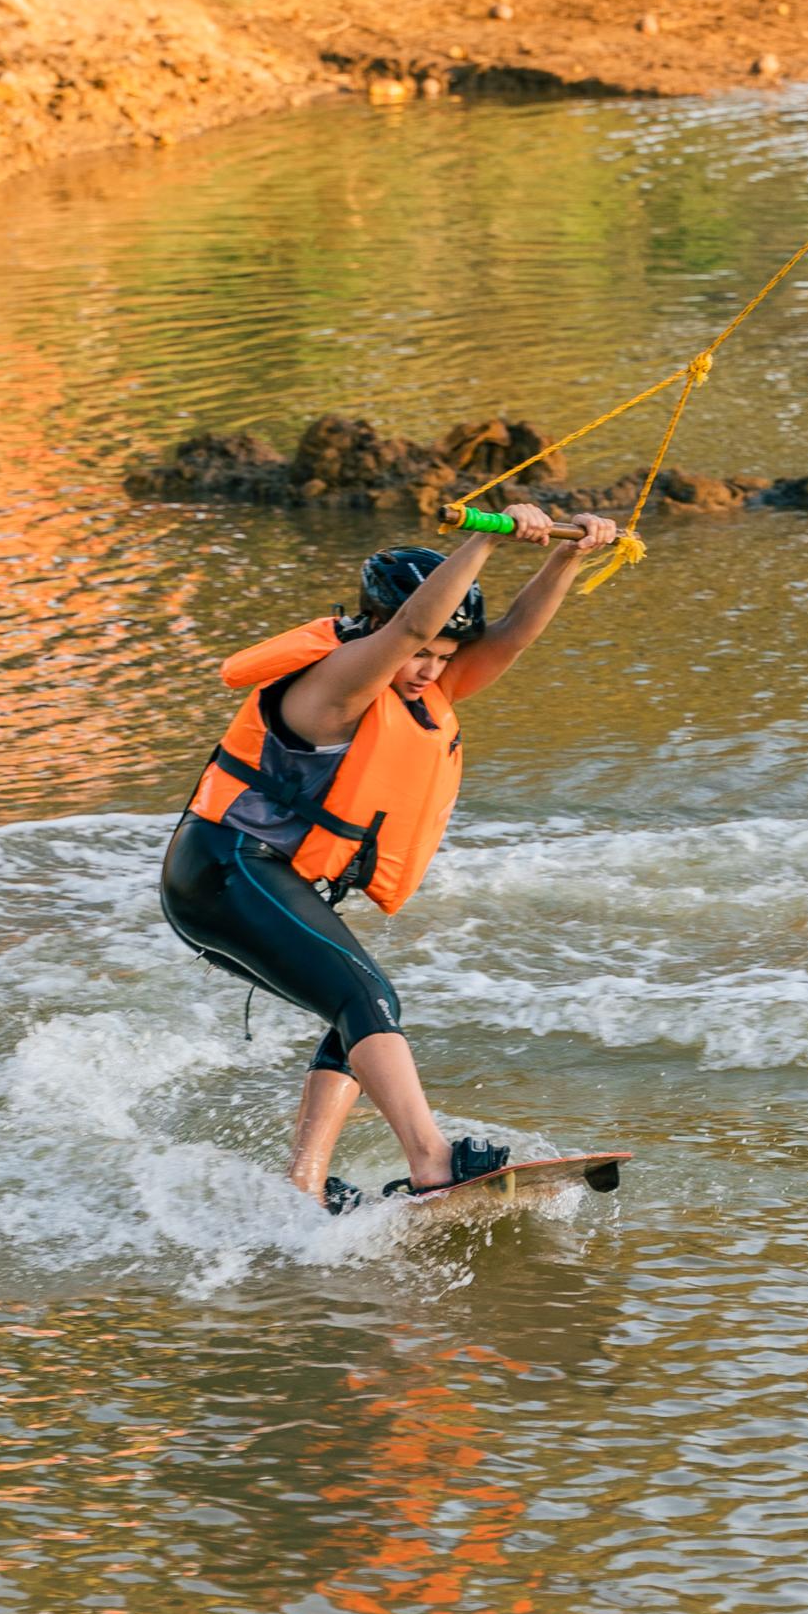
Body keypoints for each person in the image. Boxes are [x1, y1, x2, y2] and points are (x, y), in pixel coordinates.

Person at [160, 508, 618, 1210]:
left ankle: (301, 1189)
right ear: (379, 628)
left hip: (255, 876)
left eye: (445, 654)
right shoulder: (334, 686)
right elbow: (407, 628)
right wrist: (484, 539)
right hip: (226, 872)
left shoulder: (419, 683)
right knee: (367, 1001)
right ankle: (432, 1160)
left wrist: (567, 558)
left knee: (360, 1012)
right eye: (422, 650)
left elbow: (512, 639)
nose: (430, 668)